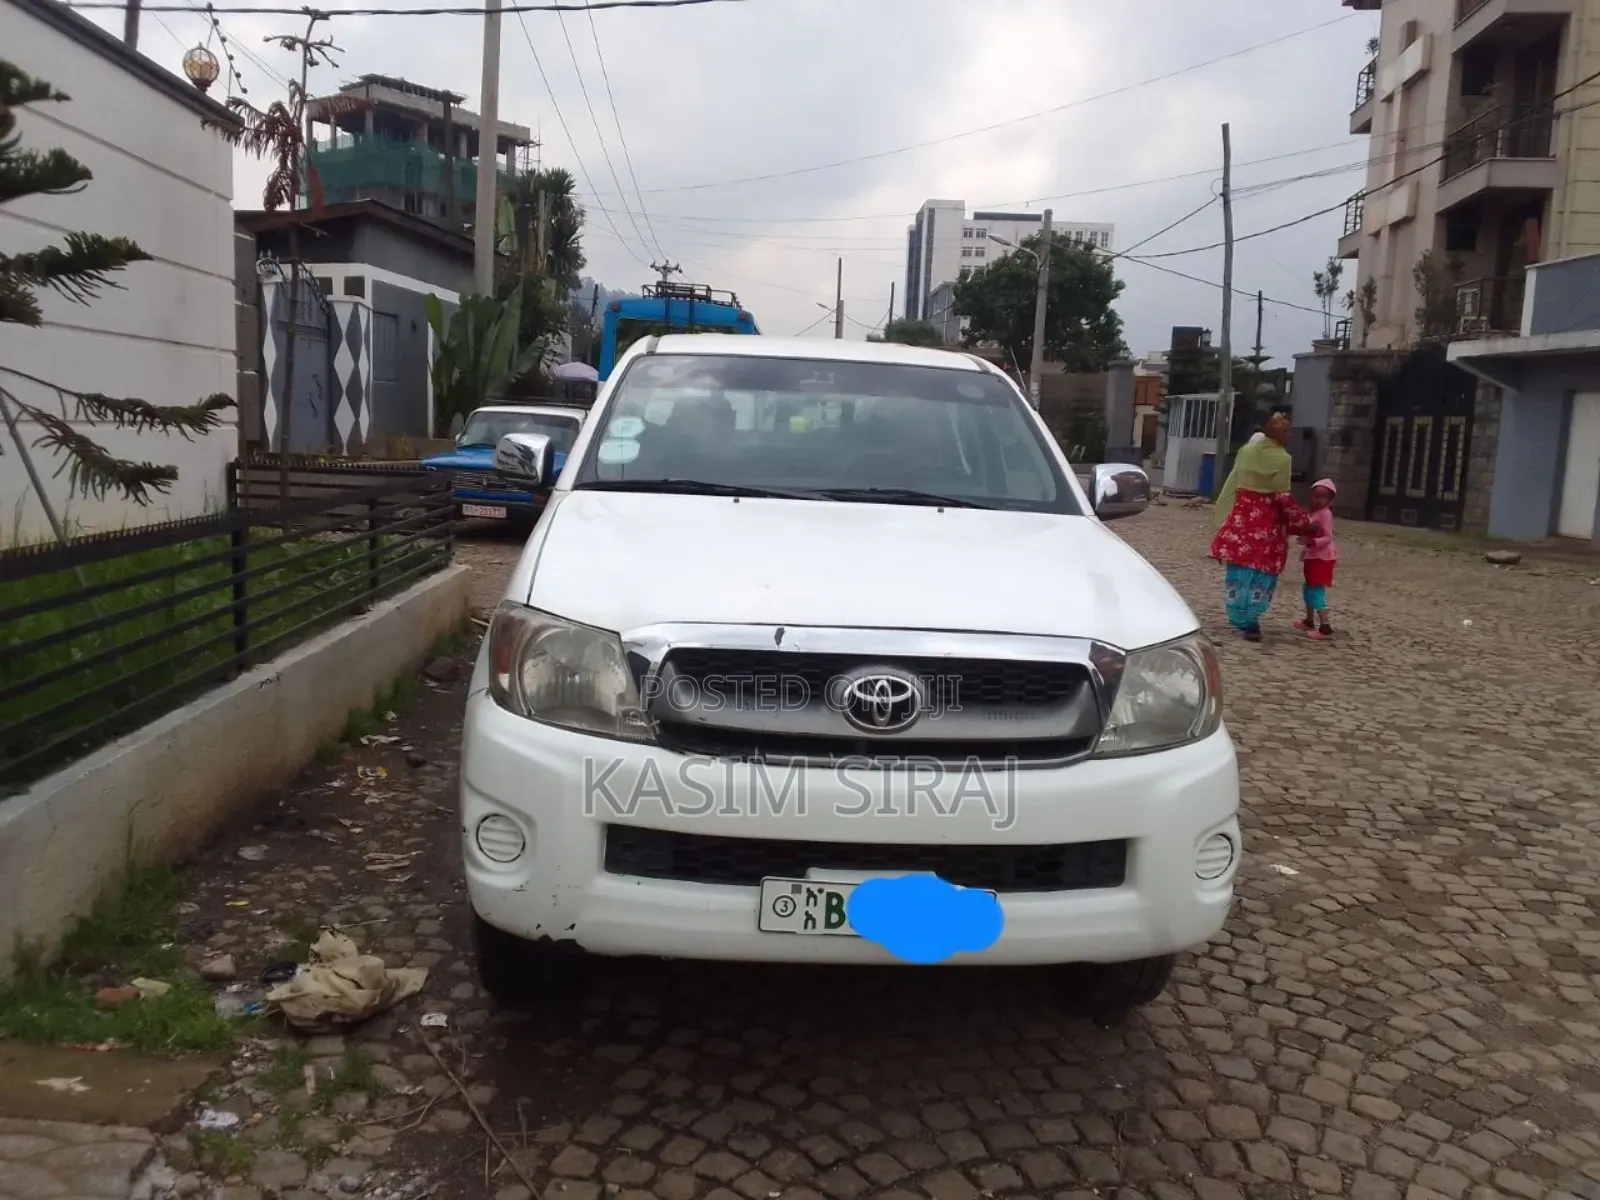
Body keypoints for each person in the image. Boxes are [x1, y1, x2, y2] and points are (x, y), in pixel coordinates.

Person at [1208, 413, 1317, 641]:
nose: (1288, 435)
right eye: (1286, 430)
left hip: (1241, 519)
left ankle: (1239, 616)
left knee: (1239, 569)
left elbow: (1236, 481)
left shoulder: (1247, 451)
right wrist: (1304, 522)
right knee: (1261, 572)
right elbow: (1282, 498)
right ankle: (1251, 618)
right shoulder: (1282, 458)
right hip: (1266, 524)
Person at [1294, 478, 1339, 641]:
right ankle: (1309, 619)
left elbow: (1327, 537)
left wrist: (1312, 541)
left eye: (1323, 497)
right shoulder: (1314, 513)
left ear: (1330, 500)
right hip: (1312, 556)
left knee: (1315, 591)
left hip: (1322, 558)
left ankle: (1325, 626)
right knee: (1308, 588)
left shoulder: (1325, 514)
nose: (1318, 500)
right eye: (1316, 496)